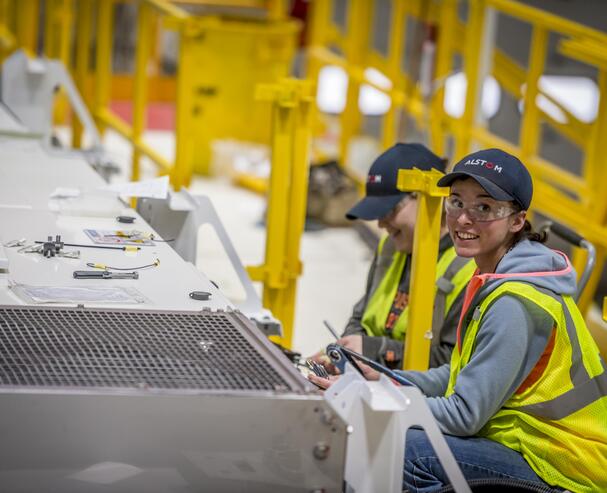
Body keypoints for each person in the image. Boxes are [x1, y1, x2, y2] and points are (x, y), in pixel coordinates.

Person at [310, 148, 607, 492]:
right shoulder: (493, 278)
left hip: (563, 463)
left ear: (517, 220)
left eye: (484, 208)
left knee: (404, 448)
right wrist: (384, 379)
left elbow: (464, 415)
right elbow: (457, 374)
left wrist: (374, 400)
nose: (464, 219)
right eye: (456, 202)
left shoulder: (515, 301)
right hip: (526, 444)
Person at [314, 143, 475, 369]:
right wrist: (348, 353)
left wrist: (374, 352)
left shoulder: (468, 270)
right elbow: (360, 317)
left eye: (389, 211)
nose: (380, 223)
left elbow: (452, 364)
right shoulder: (389, 247)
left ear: (429, 198)